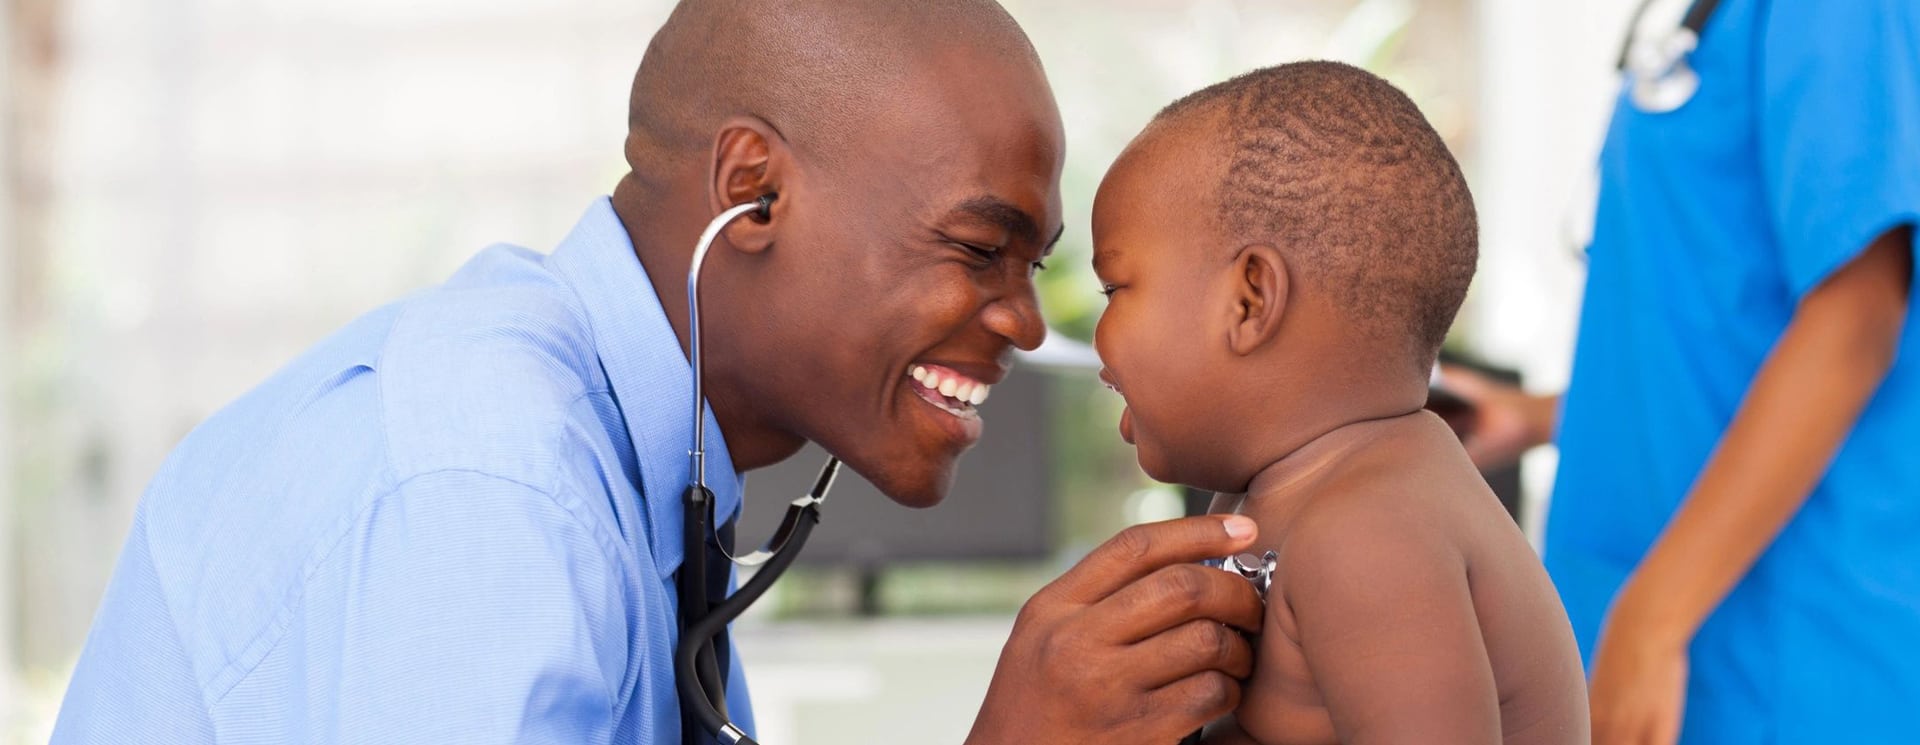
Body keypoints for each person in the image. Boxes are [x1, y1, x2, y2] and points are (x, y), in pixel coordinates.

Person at [50, 1, 1266, 742]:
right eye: (977, 247)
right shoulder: (488, 494)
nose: (1016, 318)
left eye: (1033, 265)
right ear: (752, 194)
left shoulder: (639, 479)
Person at [1442, 2, 1920, 743]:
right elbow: (1723, 327)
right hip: (1684, 633)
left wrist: (1652, 620)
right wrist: (1540, 415)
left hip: (1787, 651)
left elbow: (1855, 319)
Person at [1090, 62, 1589, 745]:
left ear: (1250, 300)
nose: (1098, 344)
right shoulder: (1290, 491)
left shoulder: (1366, 535)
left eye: (1113, 289)